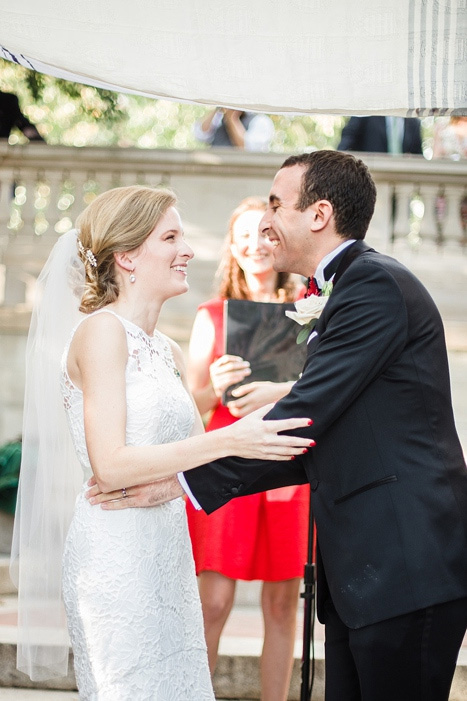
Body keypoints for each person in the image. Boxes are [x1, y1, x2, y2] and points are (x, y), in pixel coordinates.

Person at [91, 152, 467, 701]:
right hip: (367, 573)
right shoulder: (347, 288)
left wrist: (179, 481)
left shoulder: (373, 287)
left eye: (275, 204)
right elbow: (310, 436)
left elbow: (304, 416)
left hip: (404, 562)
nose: (265, 222)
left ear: (318, 215)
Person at [11, 185, 313, 697]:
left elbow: (202, 463)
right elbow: (111, 465)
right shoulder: (101, 333)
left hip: (170, 552)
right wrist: (228, 438)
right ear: (127, 256)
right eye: (171, 237)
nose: (189, 250)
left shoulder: (167, 349)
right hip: (117, 553)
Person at [186, 196, 309, 701]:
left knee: (282, 605)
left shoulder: (310, 310)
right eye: (244, 237)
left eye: (265, 232)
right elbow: (191, 401)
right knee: (212, 601)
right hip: (228, 459)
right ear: (232, 250)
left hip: (289, 462)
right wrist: (212, 383)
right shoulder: (211, 315)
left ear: (279, 237)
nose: (256, 245)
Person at [194, 107, 274, 151]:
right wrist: (217, 107)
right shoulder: (219, 118)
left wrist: (231, 119)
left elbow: (245, 147)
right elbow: (201, 135)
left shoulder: (260, 120)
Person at [337, 115, 422, 154]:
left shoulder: (413, 123)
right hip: (370, 174)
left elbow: (418, 155)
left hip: (402, 181)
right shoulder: (366, 113)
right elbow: (349, 137)